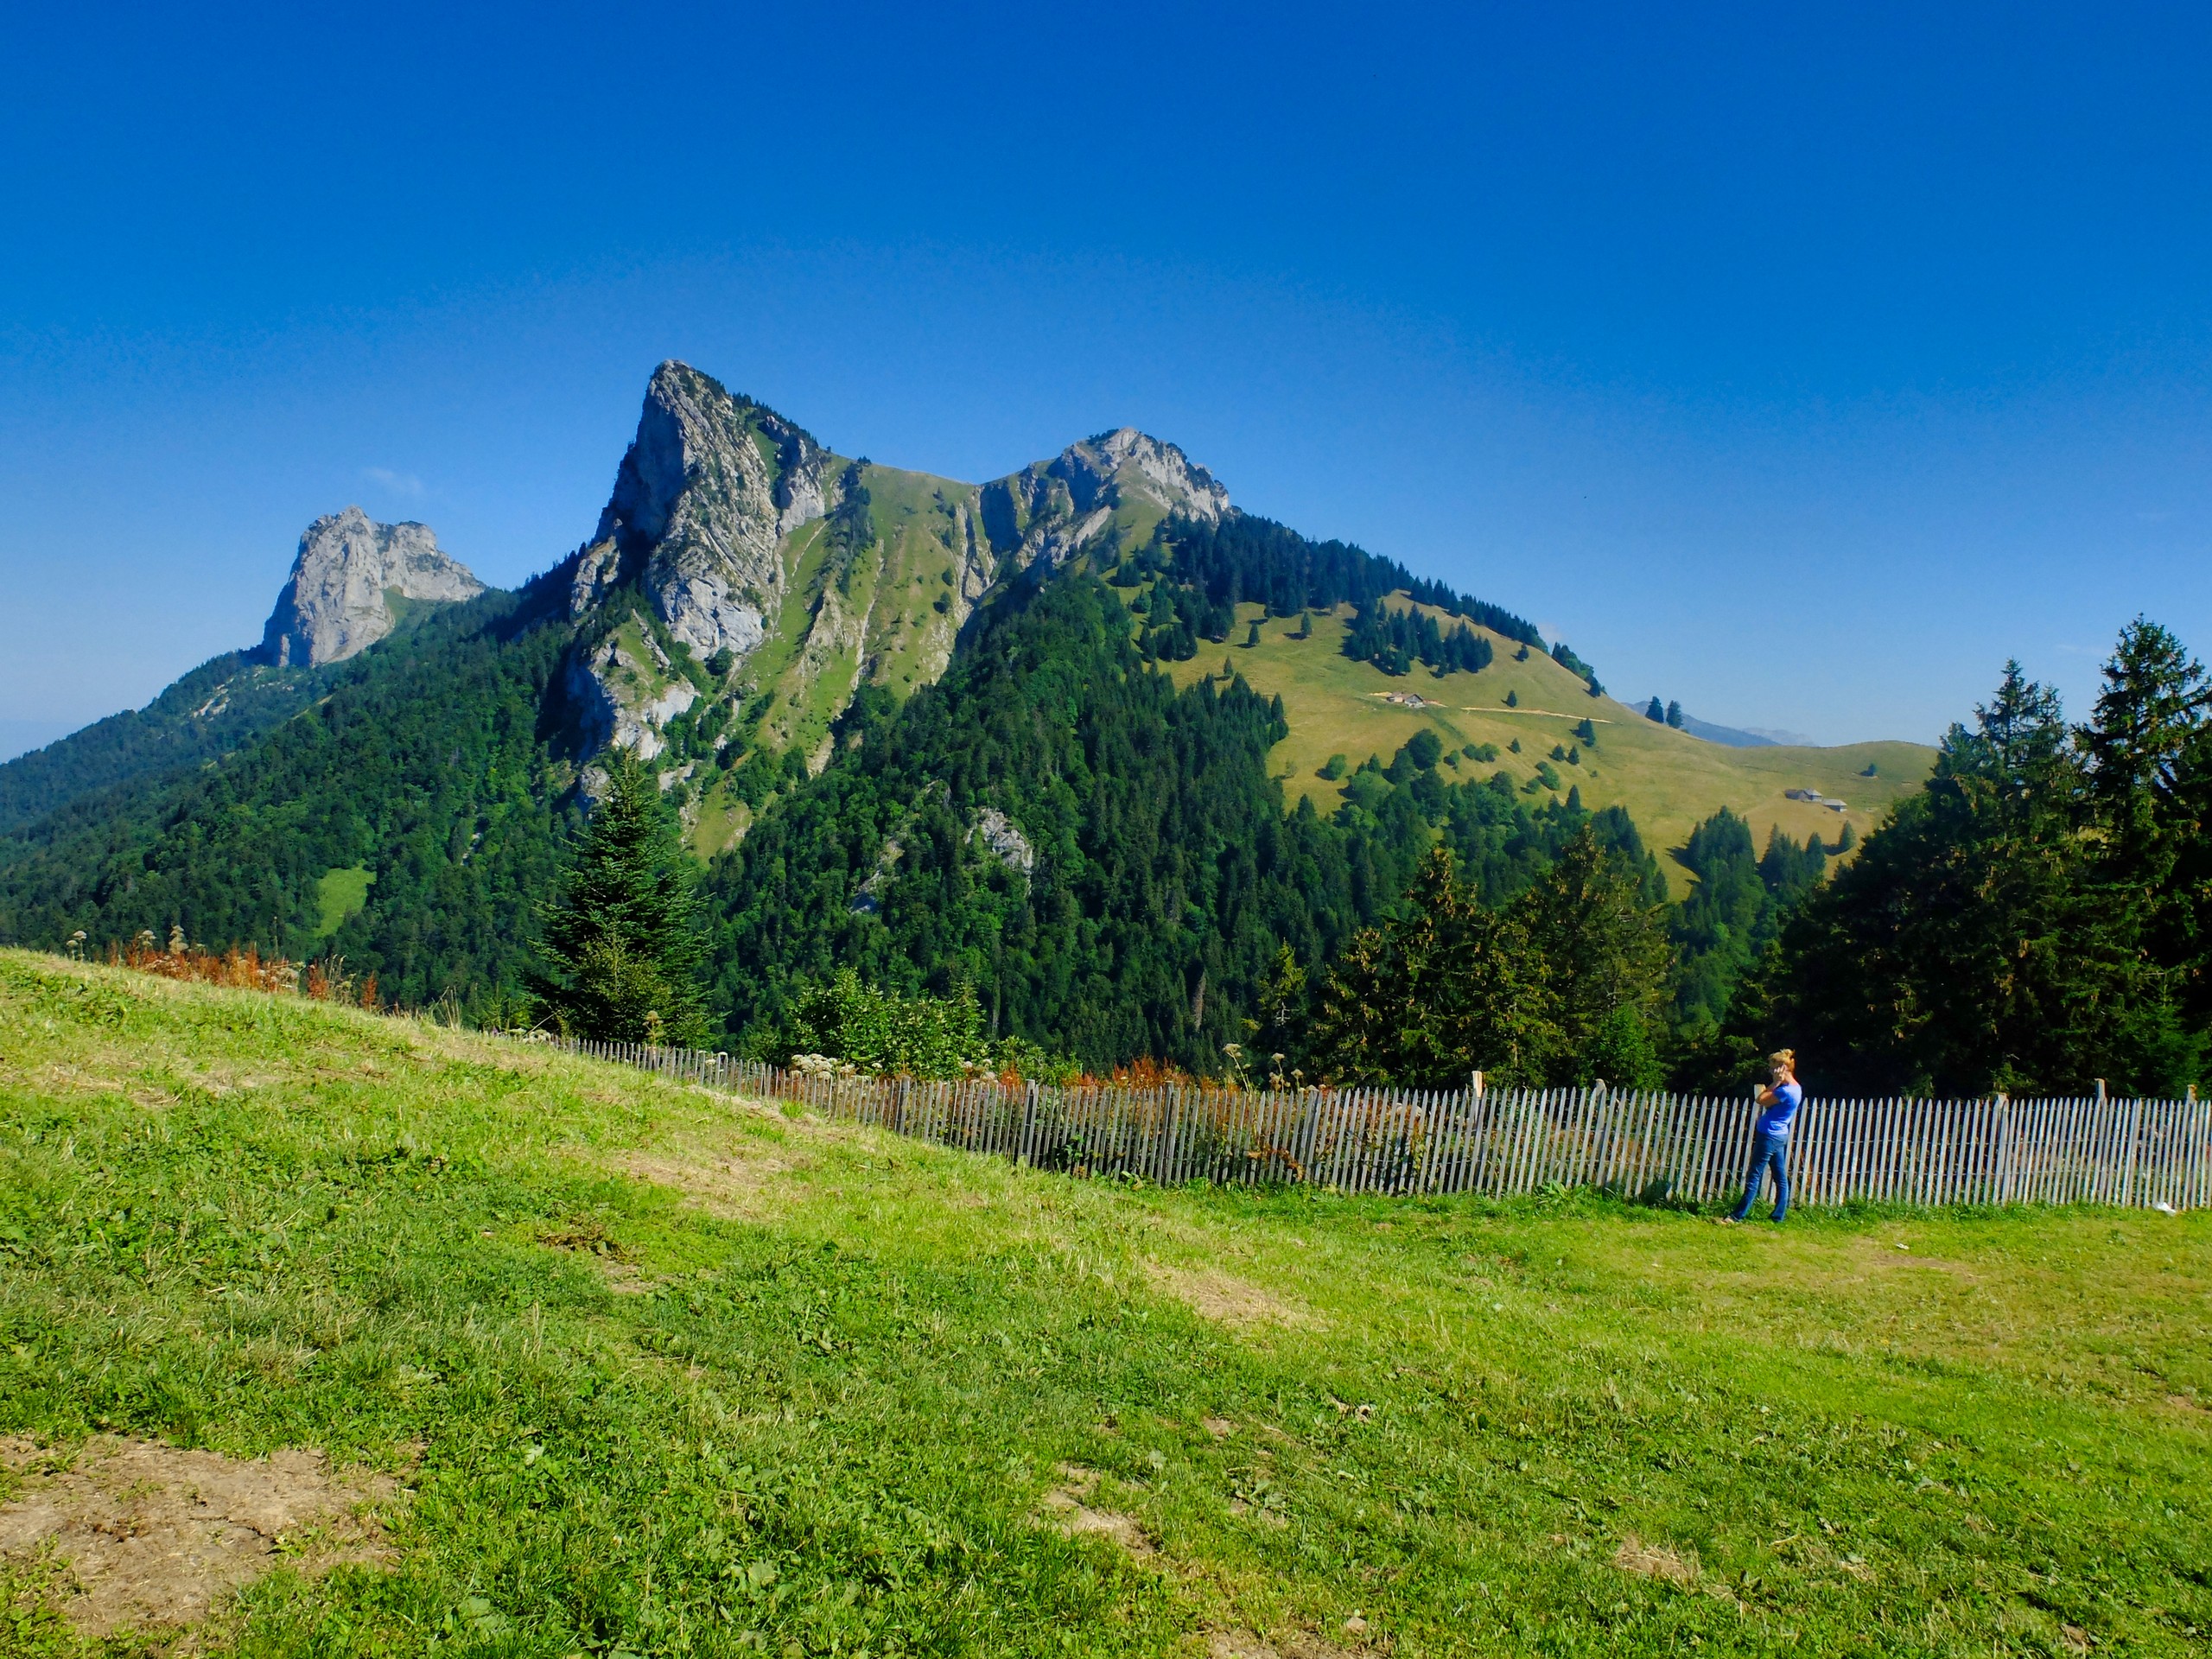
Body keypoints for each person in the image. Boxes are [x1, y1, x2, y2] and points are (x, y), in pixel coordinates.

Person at [1720, 1049, 1802, 1224]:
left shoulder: (1784, 1091)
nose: (1770, 1071)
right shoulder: (1796, 1088)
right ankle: (1778, 1216)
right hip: (1780, 1135)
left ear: (1782, 1068)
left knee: (1754, 1175)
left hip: (1769, 1136)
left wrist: (1775, 1083)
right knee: (1780, 1177)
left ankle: (1736, 1216)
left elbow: (1761, 1099)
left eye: (1773, 1068)